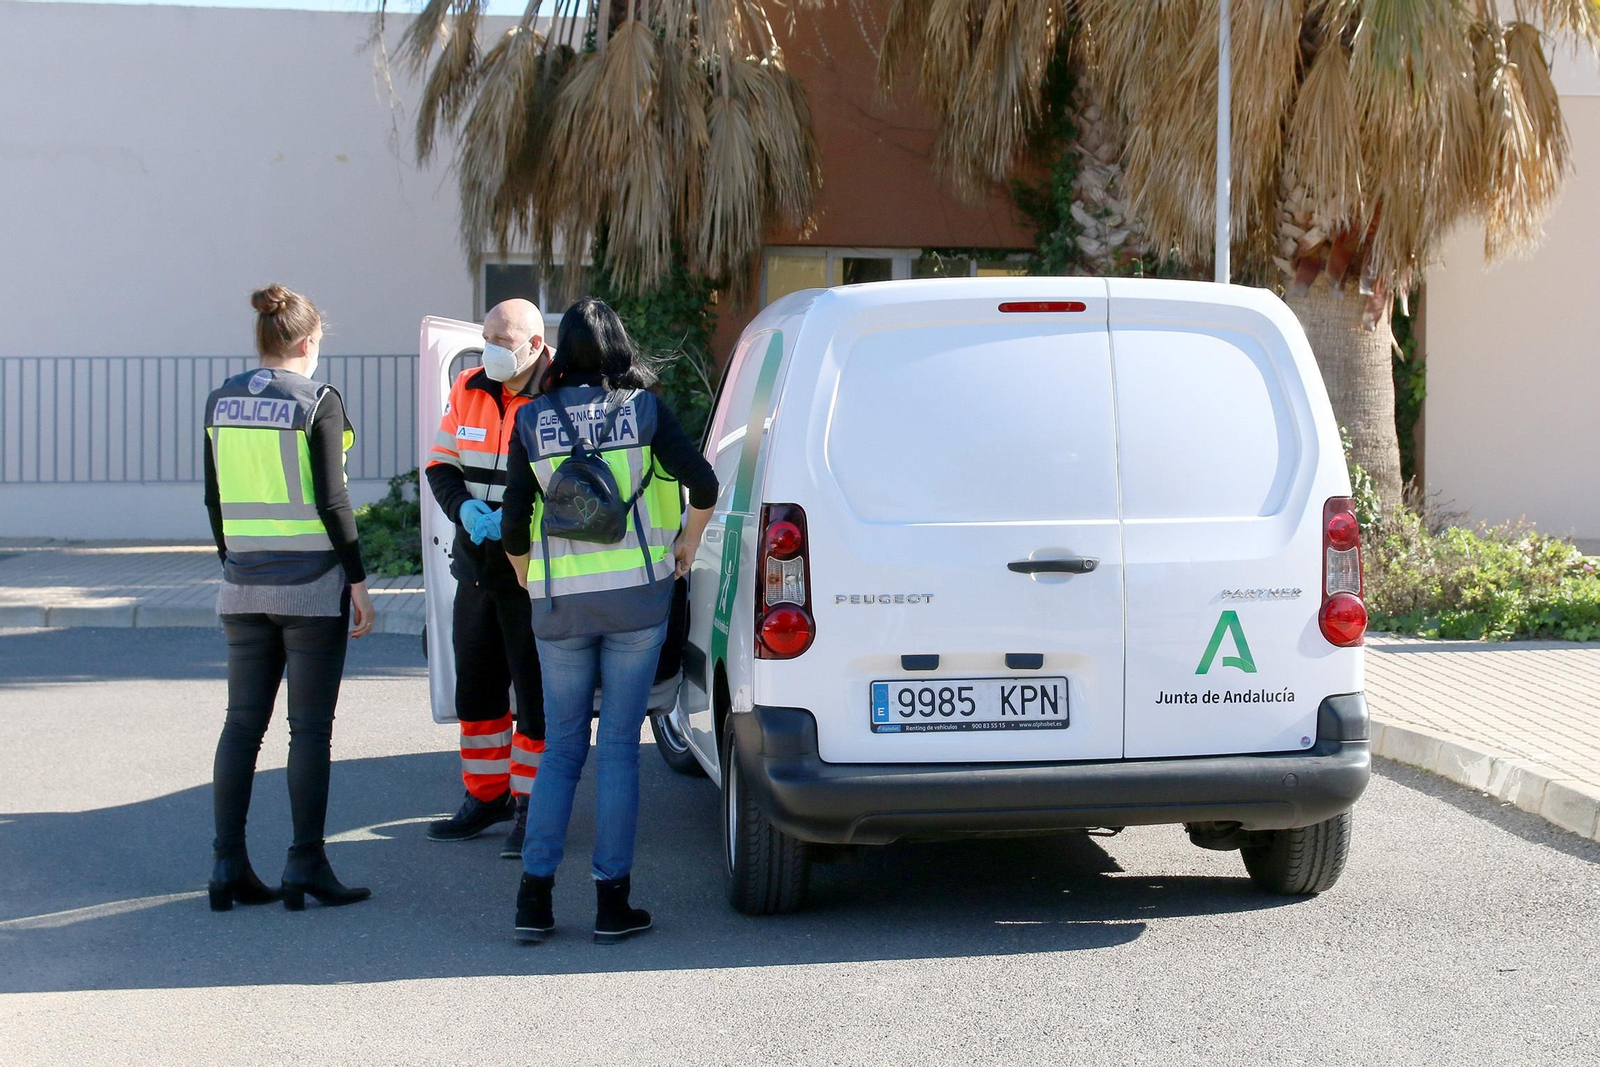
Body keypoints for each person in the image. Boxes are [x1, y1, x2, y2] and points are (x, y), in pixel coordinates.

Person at [501, 298, 717, 944]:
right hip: (636, 603)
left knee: (563, 747)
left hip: (561, 607)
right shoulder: (644, 410)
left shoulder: (531, 418)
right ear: (619, 347)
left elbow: (513, 524)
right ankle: (611, 904)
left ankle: (533, 900)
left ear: (562, 352)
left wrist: (527, 575)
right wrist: (687, 545)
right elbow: (704, 483)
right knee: (620, 747)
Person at [204, 285, 375, 912]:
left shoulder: (221, 401)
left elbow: (213, 497)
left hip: (243, 582)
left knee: (241, 725)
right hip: (311, 588)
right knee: (308, 730)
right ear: (306, 342)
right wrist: (358, 580)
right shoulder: (317, 401)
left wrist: (234, 563)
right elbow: (333, 500)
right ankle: (305, 862)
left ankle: (227, 863)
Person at [424, 298, 549, 854]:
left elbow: (573, 483)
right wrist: (464, 510)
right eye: (487, 338)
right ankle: (486, 795)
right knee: (476, 691)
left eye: (504, 340)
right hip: (476, 568)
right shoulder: (468, 386)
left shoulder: (558, 395)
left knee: (536, 695)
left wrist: (519, 521)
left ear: (536, 345)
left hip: (533, 576)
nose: (491, 349)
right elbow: (441, 464)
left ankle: (532, 807)